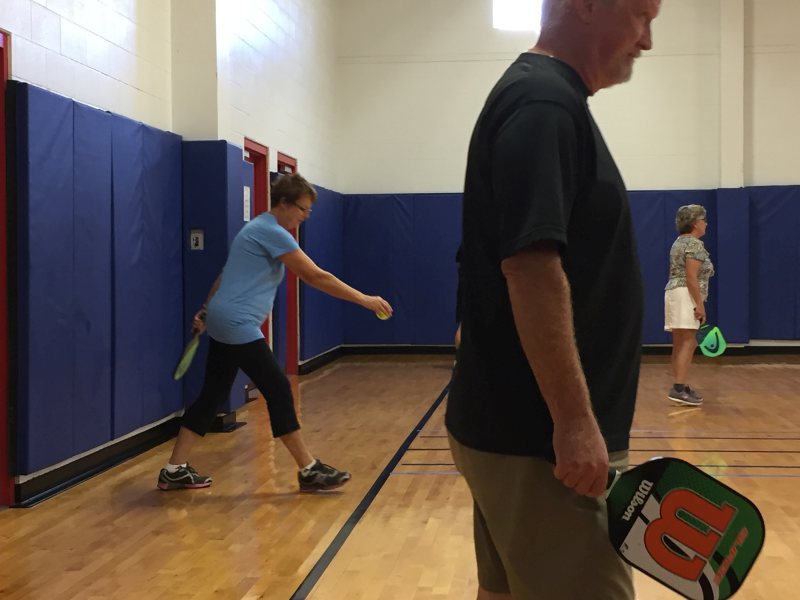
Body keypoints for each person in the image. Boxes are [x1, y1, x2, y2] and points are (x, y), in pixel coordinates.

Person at [445, 0, 661, 598]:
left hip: (515, 435)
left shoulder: (541, 99)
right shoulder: (543, 103)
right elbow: (530, 267)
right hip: (540, 449)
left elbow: (483, 255)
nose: (646, 41)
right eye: (642, 16)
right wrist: (573, 424)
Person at [158, 173, 393, 492]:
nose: (305, 216)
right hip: (238, 322)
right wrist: (364, 299)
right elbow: (315, 276)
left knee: (213, 395)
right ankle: (309, 469)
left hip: (224, 319)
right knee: (279, 389)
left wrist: (207, 309)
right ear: (283, 203)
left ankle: (174, 469)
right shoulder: (271, 232)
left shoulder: (254, 228)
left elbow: (225, 275)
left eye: (309, 211)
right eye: (302, 208)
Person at [664, 204, 714, 406]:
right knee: (689, 342)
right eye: (704, 220)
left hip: (674, 293)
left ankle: (681, 385)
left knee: (680, 342)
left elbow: (672, 273)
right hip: (686, 295)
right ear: (695, 223)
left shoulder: (678, 242)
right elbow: (691, 278)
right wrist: (699, 305)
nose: (706, 223)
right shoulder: (694, 245)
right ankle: (678, 388)